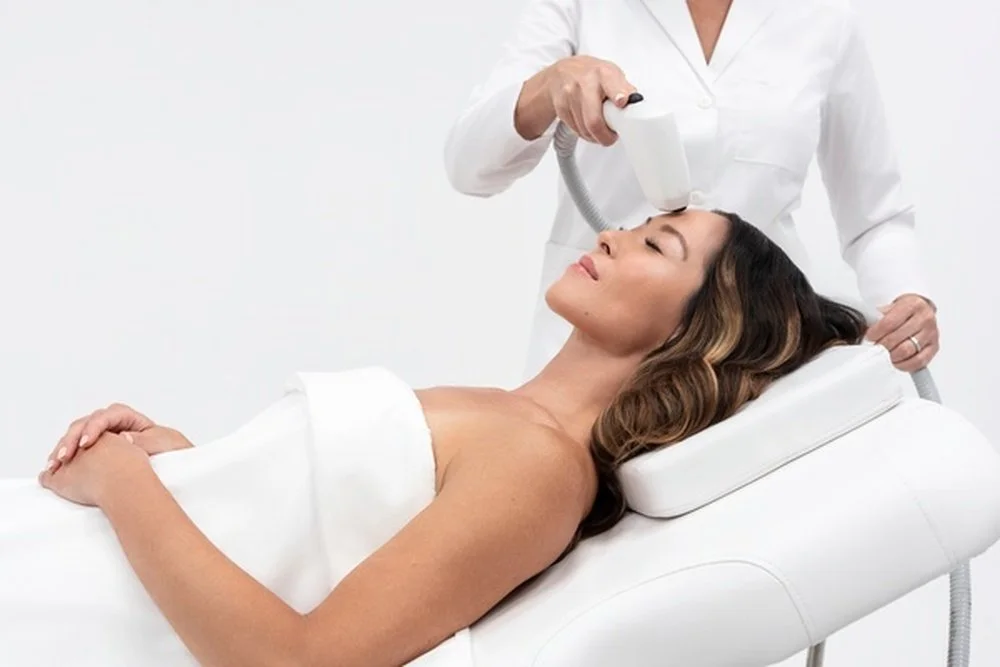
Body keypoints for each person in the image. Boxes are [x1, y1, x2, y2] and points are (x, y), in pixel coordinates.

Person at [29, 209, 866, 666]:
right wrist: (198, 468)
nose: (612, 233)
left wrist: (121, 482)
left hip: (70, 615)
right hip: (65, 568)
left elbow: (300, 660)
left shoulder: (541, 467)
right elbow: (317, 539)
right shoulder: (510, 418)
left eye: (657, 243)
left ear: (698, 329)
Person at [443, 0, 940, 379]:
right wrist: (548, 86)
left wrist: (905, 300)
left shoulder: (824, 19)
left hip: (760, 354)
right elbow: (471, 167)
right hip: (599, 351)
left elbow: (876, 216)